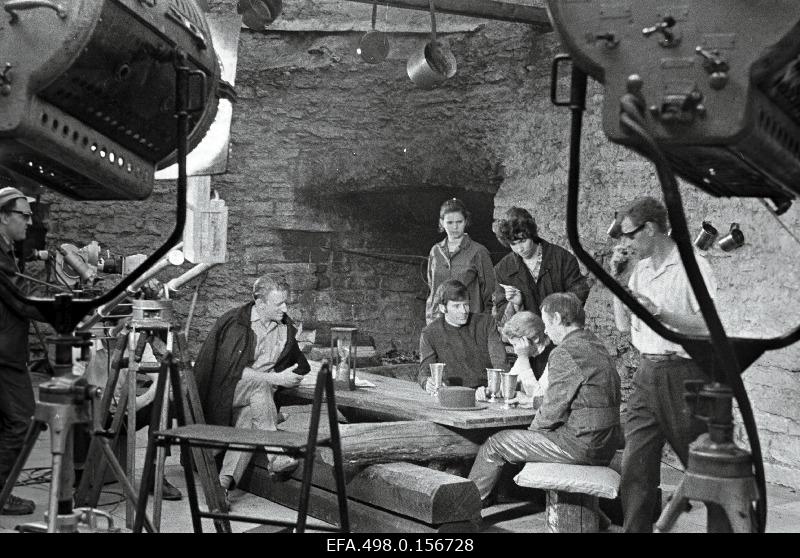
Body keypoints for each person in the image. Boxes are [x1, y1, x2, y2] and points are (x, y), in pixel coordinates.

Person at [610, 196, 717, 533]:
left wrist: (660, 313)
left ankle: (727, 527)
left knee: (702, 467)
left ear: (651, 228)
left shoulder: (693, 266)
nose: (625, 243)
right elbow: (623, 327)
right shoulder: (640, 270)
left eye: (629, 235)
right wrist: (618, 281)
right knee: (635, 469)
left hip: (683, 373)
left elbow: (709, 325)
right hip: (646, 372)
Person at [468, 293, 621, 503]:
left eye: (547, 323)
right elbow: (579, 400)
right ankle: (596, 516)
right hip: (605, 443)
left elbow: (551, 412)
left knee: (496, 443)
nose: (546, 330)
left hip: (580, 445)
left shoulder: (565, 352)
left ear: (557, 318)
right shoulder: (595, 345)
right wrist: (532, 402)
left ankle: (466, 511)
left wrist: (530, 437)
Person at [193, 275, 310, 498]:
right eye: (279, 304)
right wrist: (275, 379)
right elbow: (230, 371)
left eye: (285, 302)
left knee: (249, 416)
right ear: (260, 302)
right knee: (261, 386)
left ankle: (222, 487)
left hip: (255, 400)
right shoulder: (236, 323)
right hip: (224, 395)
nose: (285, 308)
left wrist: (292, 374)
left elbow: (299, 363)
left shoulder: (284, 327)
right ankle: (275, 454)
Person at [0, 186, 42, 516]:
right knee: (23, 421)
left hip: (6, 349)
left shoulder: (7, 251)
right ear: (3, 216)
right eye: (24, 215)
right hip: (3, 355)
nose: (29, 222)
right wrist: (69, 307)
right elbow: (23, 300)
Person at [492, 206, 590, 328]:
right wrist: (515, 305)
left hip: (561, 330)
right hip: (528, 336)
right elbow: (500, 314)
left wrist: (557, 316)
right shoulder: (502, 269)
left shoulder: (562, 258)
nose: (519, 249)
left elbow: (579, 293)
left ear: (531, 234)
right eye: (513, 244)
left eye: (523, 241)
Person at [418, 279, 507, 392]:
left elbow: (501, 364)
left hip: (486, 391)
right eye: (456, 306)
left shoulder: (486, 323)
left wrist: (493, 389)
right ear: (442, 308)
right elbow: (424, 372)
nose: (464, 311)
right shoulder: (430, 333)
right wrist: (427, 382)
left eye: (466, 304)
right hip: (452, 393)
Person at [425, 198, 495, 325]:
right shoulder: (435, 251)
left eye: (459, 222)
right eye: (450, 222)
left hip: (469, 321)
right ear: (442, 222)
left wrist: (482, 324)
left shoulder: (478, 251)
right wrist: (431, 319)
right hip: (439, 322)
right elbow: (432, 288)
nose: (455, 227)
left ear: (466, 221)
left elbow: (490, 292)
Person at [493, 311, 554, 405]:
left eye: (516, 344)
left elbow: (538, 397)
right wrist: (489, 391)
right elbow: (506, 386)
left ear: (535, 338)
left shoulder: (553, 355)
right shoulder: (528, 353)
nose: (515, 350)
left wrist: (523, 358)